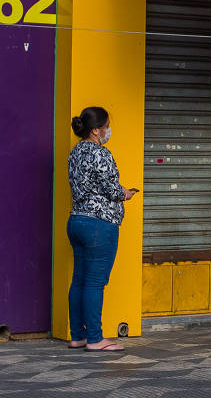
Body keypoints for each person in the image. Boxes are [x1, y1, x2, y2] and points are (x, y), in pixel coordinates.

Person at [67, 107, 137, 352]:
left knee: (79, 281)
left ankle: (78, 336)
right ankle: (95, 339)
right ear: (96, 130)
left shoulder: (74, 153)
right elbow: (112, 189)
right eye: (106, 126)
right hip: (99, 225)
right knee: (95, 283)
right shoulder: (101, 153)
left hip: (77, 221)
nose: (108, 130)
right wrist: (125, 194)